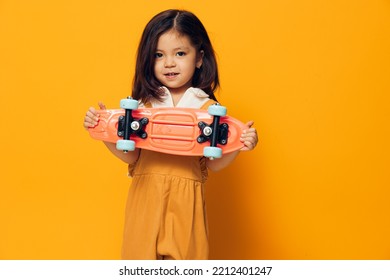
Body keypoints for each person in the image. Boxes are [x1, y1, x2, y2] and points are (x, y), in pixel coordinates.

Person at [83, 9, 258, 260]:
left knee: (187, 263)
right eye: (158, 55)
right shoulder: (143, 105)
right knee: (138, 263)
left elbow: (215, 164)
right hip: (146, 197)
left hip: (187, 203)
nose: (169, 63)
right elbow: (131, 157)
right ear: (148, 59)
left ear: (199, 57)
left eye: (180, 53)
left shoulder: (207, 110)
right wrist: (103, 131)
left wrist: (240, 144)